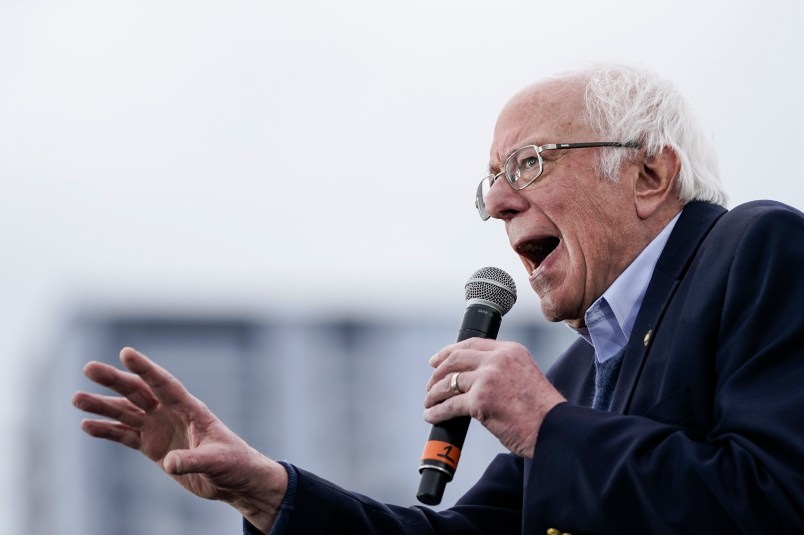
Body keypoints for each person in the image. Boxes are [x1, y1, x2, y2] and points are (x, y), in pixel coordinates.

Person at [72, 63, 804, 534]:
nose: (499, 202)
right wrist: (269, 493)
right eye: (491, 180)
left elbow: (778, 501)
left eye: (529, 162)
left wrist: (545, 426)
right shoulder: (582, 376)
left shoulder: (759, 248)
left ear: (648, 172)